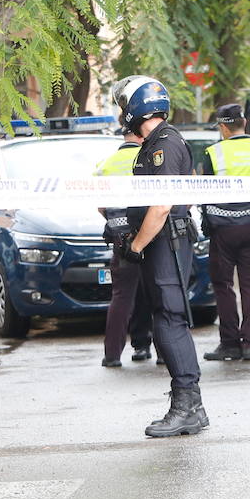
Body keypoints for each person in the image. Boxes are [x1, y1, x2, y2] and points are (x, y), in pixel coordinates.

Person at [112, 75, 208, 437]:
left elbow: (163, 203)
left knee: (169, 319)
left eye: (125, 106)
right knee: (164, 318)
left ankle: (187, 406)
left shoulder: (164, 145)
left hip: (165, 242)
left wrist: (136, 246)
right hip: (162, 243)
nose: (123, 113)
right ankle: (190, 405)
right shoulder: (156, 143)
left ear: (138, 106)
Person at [200, 103, 250, 361]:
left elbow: (206, 190)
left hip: (223, 229)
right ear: (243, 123)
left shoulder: (213, 153)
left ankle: (230, 343)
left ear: (223, 127)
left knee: (223, 285)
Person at [96, 123, 154, 367]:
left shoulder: (106, 164)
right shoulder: (150, 159)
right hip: (151, 238)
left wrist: (118, 223)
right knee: (159, 295)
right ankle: (162, 353)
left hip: (121, 240)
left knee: (121, 297)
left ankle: (111, 356)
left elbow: (100, 206)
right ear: (141, 135)